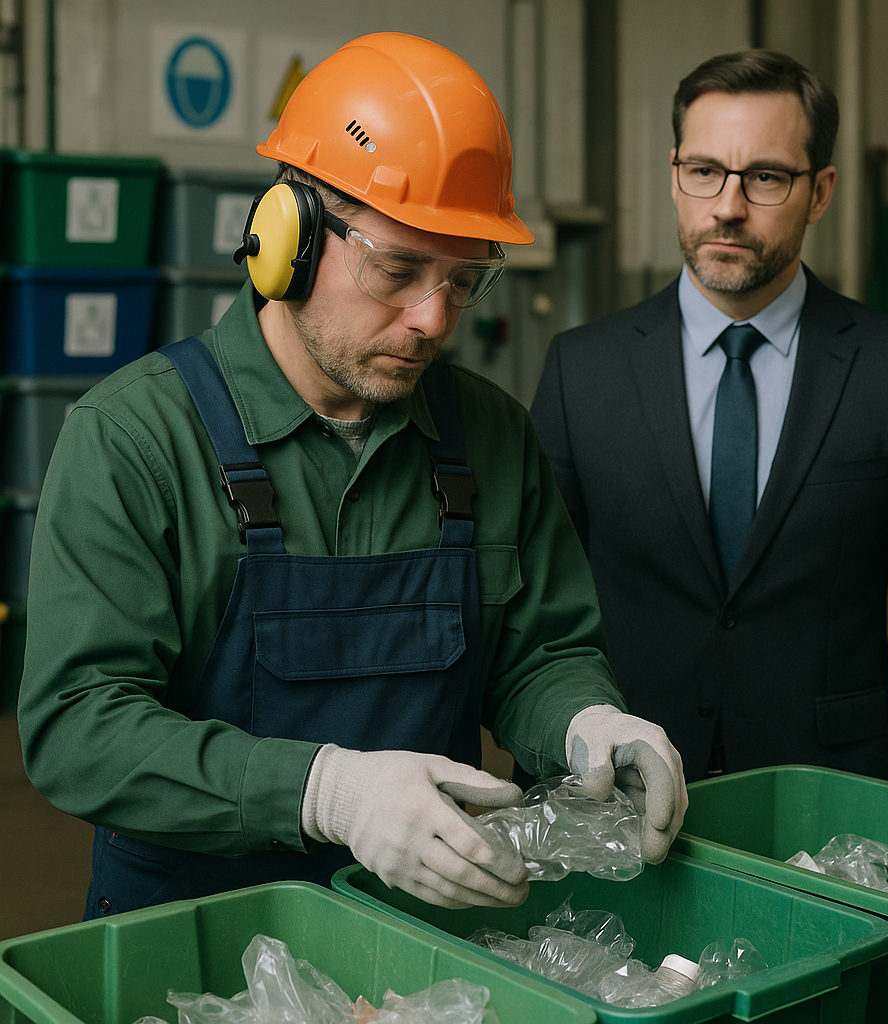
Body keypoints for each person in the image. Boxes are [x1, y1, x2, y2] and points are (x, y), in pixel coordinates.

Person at [18, 31, 685, 920]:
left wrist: (586, 725)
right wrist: (325, 792)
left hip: (423, 949)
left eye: (463, 278)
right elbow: (79, 726)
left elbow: (539, 653)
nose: (431, 318)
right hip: (196, 947)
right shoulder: (133, 439)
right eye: (399, 268)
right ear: (284, 237)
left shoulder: (489, 434)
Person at [530, 49, 888, 798]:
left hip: (832, 799)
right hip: (619, 792)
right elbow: (540, 619)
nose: (728, 206)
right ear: (674, 173)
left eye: (765, 176)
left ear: (820, 191)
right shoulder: (583, 373)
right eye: (704, 171)